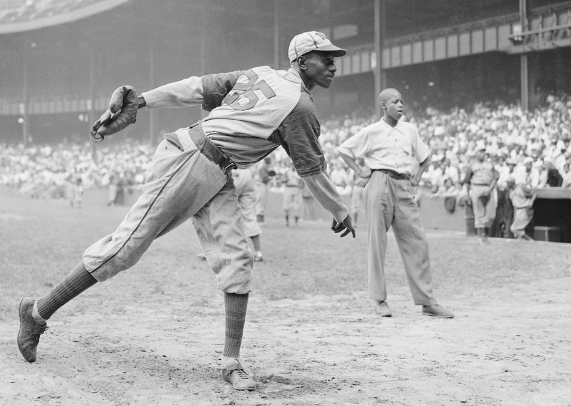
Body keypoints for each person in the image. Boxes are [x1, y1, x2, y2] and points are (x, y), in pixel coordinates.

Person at [16, 31, 355, 392]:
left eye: (334, 57)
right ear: (302, 61)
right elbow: (312, 172)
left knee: (238, 258)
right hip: (190, 159)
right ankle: (36, 312)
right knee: (124, 250)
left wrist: (142, 101)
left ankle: (230, 361)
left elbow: (195, 87)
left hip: (218, 170)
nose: (333, 63)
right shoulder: (299, 106)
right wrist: (339, 210)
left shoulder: (259, 74)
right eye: (324, 56)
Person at [338, 88, 454, 319]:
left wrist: (418, 176)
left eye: (402, 101)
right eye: (395, 102)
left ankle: (427, 302)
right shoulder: (372, 131)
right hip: (379, 181)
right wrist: (360, 170)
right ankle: (379, 300)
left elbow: (424, 156)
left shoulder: (410, 130)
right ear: (383, 105)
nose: (400, 105)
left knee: (418, 242)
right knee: (377, 243)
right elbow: (344, 150)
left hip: (404, 184)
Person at [463, 141, 499, 244]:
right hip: (476, 187)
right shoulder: (472, 165)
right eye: (480, 151)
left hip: (488, 187)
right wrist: (467, 194)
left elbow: (496, 177)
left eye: (483, 151)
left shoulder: (489, 165)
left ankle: (486, 235)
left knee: (490, 214)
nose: (482, 153)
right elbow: (467, 181)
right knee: (478, 213)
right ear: (476, 153)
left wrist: (490, 189)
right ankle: (480, 237)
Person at [282, 161, 303, 227]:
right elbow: (282, 180)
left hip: (296, 188)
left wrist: (300, 185)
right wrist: (286, 179)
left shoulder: (299, 172)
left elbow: (302, 182)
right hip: (288, 188)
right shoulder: (287, 172)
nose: (293, 165)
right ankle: (287, 222)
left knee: (297, 206)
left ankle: (296, 222)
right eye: (292, 164)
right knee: (286, 206)